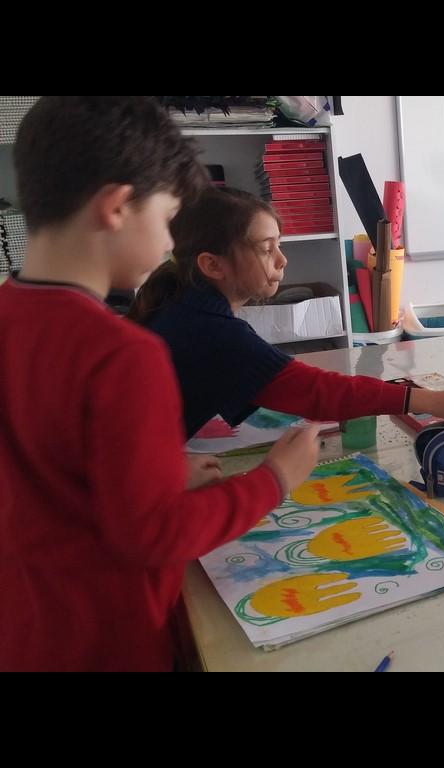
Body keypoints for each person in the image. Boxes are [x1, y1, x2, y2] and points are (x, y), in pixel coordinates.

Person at [0, 97, 321, 671]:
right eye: (169, 218)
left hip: (27, 629)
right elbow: (155, 536)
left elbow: (45, 473)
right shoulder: (123, 354)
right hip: (111, 640)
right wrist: (275, 478)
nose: (172, 243)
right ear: (117, 207)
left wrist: (156, 474)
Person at [129, 186, 444, 439]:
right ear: (212, 264)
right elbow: (318, 392)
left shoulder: (185, 304)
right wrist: (426, 399)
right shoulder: (212, 331)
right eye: (267, 249)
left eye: (279, 245)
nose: (282, 260)